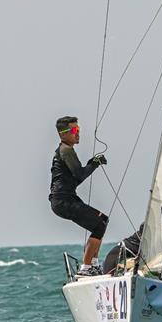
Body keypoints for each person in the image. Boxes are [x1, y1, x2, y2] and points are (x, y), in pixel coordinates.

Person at [49, 116, 108, 276]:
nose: (77, 134)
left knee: (102, 221)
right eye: (74, 130)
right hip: (63, 201)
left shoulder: (66, 150)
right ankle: (86, 268)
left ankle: (93, 265)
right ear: (62, 134)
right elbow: (80, 174)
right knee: (99, 225)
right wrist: (94, 163)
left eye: (78, 130)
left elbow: (75, 179)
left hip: (65, 199)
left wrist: (92, 163)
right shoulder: (65, 150)